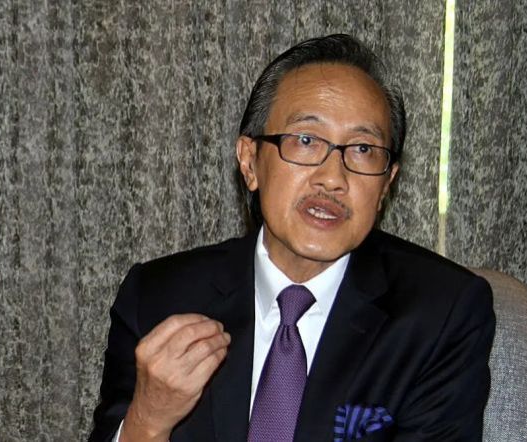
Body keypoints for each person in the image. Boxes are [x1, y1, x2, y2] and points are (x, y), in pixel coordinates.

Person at [89, 34, 495, 442]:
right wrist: (147, 421)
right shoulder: (157, 297)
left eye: (363, 149)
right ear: (249, 161)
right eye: (306, 141)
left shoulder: (441, 313)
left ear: (387, 183)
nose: (333, 178)